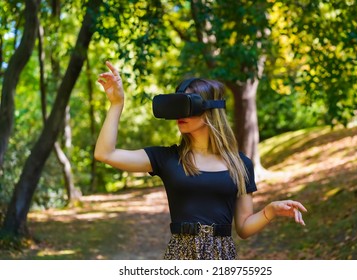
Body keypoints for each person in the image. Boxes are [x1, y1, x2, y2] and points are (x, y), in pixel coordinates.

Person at [94, 61, 307, 260]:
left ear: (210, 109)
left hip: (222, 258)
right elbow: (105, 154)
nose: (179, 114)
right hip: (180, 257)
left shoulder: (241, 164)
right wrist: (116, 104)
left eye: (186, 105)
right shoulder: (167, 158)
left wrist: (271, 210)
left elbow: (243, 228)